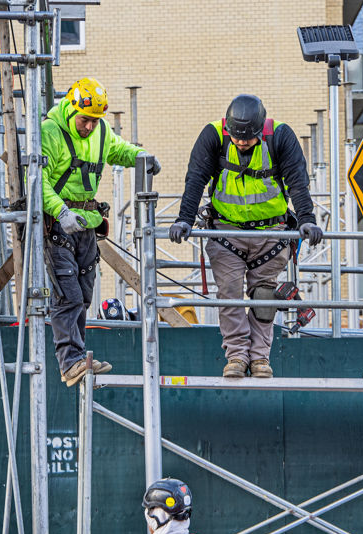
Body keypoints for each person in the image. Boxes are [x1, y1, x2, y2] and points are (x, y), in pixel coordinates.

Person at [167, 94, 323, 380]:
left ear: (260, 130)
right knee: (230, 295)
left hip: (271, 235)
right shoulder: (214, 135)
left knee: (264, 296)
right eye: (236, 138)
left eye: (247, 140)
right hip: (227, 233)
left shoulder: (280, 137)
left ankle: (260, 358)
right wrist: (183, 219)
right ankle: (237, 356)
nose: (241, 143)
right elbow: (196, 178)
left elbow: (298, 181)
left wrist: (307, 220)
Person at [41, 77, 160, 387]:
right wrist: (60, 211)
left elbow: (117, 150)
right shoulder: (51, 133)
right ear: (71, 109)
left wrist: (140, 156)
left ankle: (77, 359)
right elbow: (36, 181)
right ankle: (70, 363)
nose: (89, 127)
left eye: (95, 121)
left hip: (86, 224)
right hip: (59, 224)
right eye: (85, 120)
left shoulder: (100, 130)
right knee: (68, 294)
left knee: (84, 293)